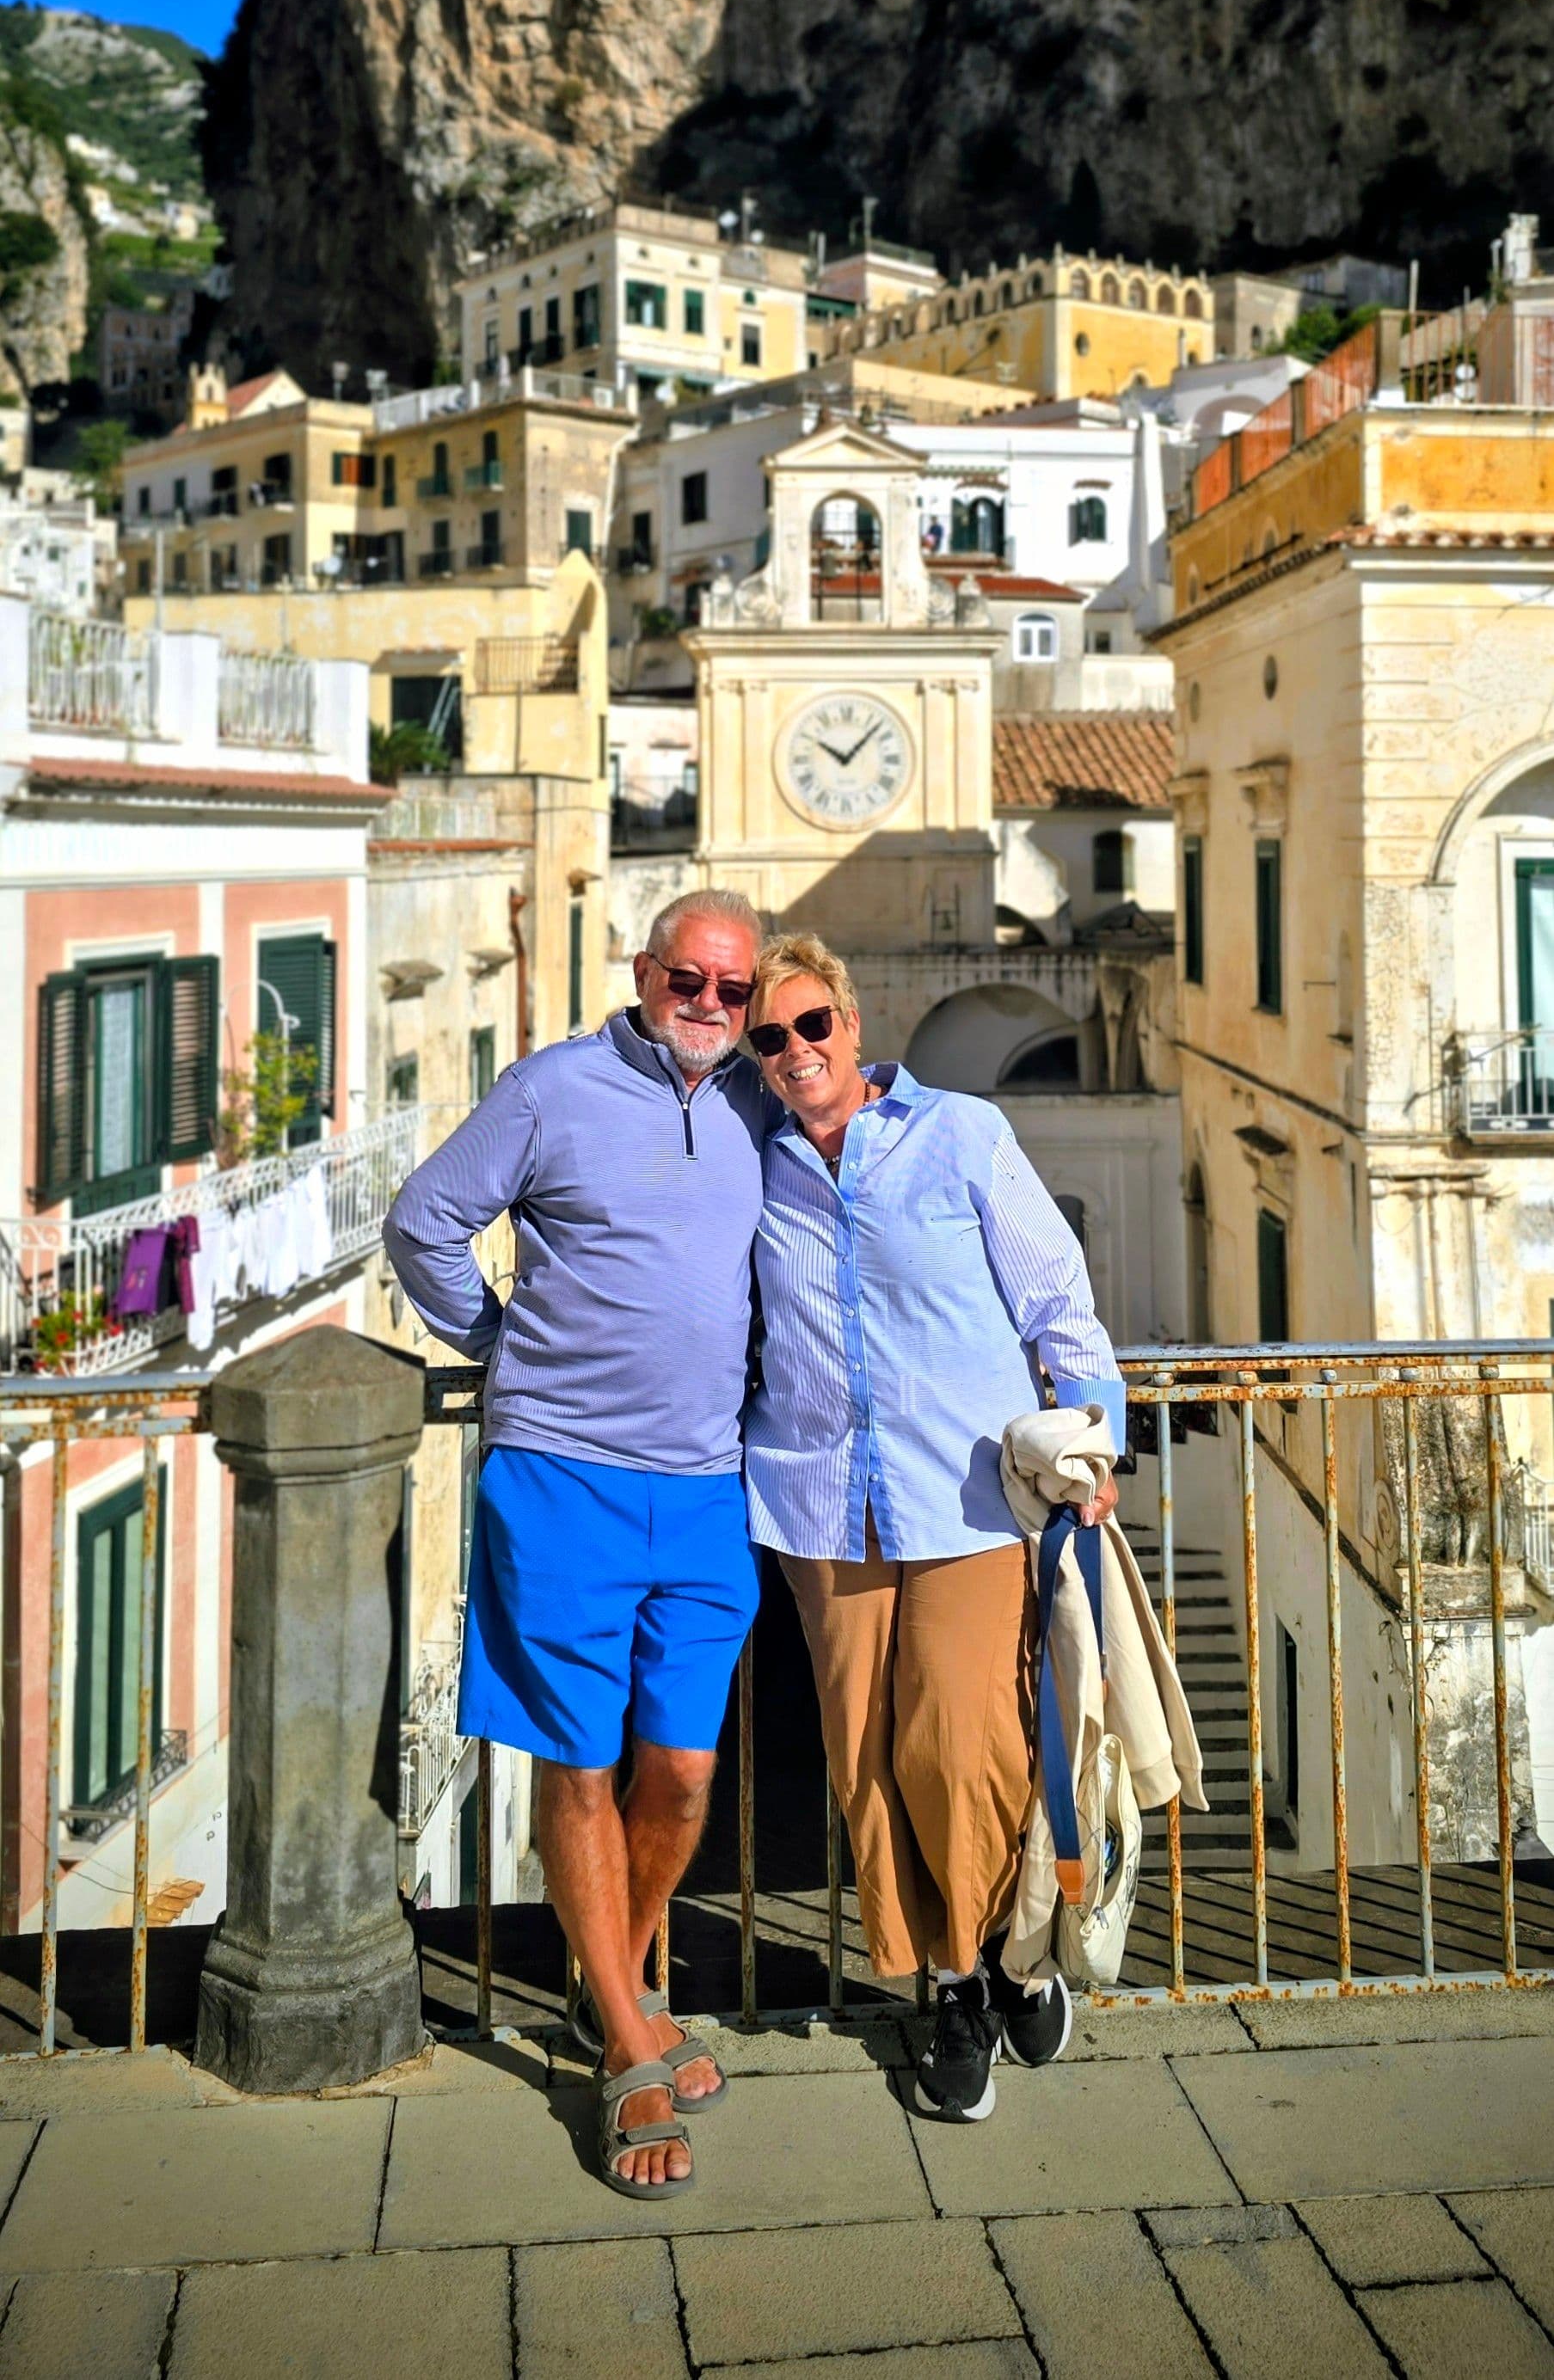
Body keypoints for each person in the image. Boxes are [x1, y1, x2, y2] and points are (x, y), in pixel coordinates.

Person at [383, 888, 768, 2199]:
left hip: (708, 1493)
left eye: (735, 990)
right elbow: (424, 1219)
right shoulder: (552, 1091)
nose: (711, 1008)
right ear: (647, 973)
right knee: (583, 1771)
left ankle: (610, 2000)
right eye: (690, 982)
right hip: (561, 1485)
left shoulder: (751, 1099)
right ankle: (626, 2048)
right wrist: (496, 1350)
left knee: (683, 1778)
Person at [742, 931, 1126, 2125]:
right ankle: (949, 1985)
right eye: (771, 1037)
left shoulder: (959, 1134)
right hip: (818, 1502)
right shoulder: (754, 1165)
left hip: (963, 1496)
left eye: (813, 1025)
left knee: (963, 1740)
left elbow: (1054, 1295)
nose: (797, 1051)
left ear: (853, 1027)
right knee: (863, 1757)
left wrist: (1091, 1434)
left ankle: (1014, 1952)